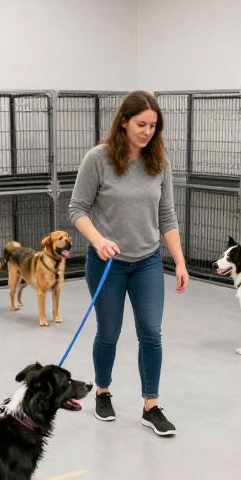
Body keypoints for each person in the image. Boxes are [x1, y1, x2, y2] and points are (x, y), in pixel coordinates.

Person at [68, 90, 189, 437]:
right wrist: (99, 240)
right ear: (123, 121)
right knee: (109, 332)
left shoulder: (160, 162)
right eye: (141, 124)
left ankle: (151, 406)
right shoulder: (98, 158)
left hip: (148, 261)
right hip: (108, 263)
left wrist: (179, 262)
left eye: (153, 125)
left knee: (151, 332)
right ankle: (103, 392)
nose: (147, 131)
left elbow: (166, 214)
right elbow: (77, 208)